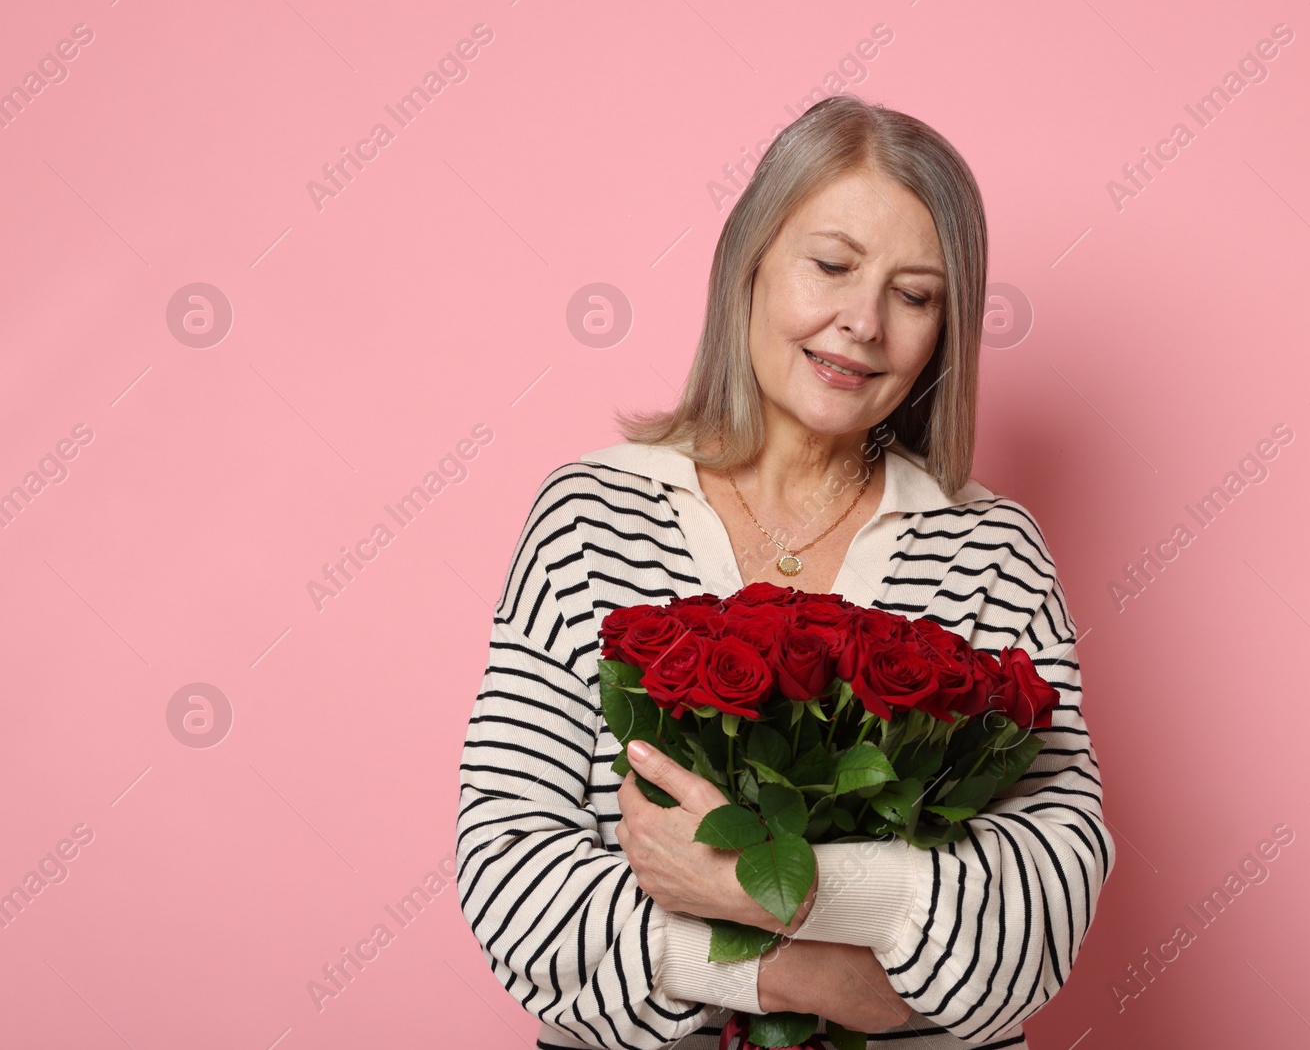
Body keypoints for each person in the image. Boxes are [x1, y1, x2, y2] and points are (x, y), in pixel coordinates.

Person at [454, 93, 1114, 1050]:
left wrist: (775, 884)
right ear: (750, 260)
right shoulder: (590, 517)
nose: (862, 322)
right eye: (833, 265)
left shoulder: (991, 550)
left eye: (915, 294)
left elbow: (1048, 894)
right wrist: (793, 971)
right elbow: (509, 866)